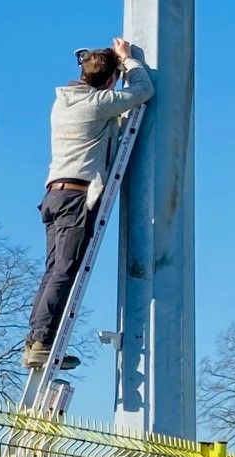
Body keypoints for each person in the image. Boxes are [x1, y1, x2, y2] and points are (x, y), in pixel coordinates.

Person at [23, 37, 154, 371]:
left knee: (54, 271)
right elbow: (142, 91)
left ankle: (37, 339)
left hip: (55, 195)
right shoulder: (97, 104)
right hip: (76, 197)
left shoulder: (63, 102)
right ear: (109, 80)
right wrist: (129, 62)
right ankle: (40, 344)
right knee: (65, 271)